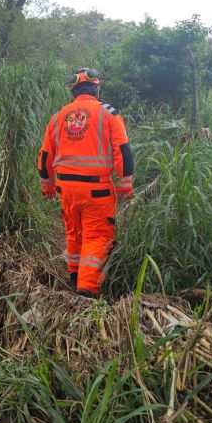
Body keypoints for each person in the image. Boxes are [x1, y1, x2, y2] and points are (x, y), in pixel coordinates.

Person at [38, 68, 134, 298]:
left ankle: (74, 274)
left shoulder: (59, 115)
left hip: (66, 188)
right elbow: (122, 149)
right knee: (97, 236)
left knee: (74, 231)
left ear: (73, 91)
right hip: (96, 190)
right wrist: (125, 183)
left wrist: (47, 184)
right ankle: (87, 290)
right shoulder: (107, 112)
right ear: (97, 89)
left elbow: (44, 155)